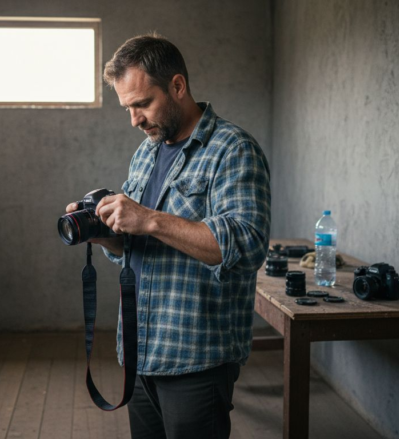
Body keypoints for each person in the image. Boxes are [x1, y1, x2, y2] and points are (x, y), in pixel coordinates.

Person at [65, 34, 271, 439]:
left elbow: (247, 245)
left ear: (178, 86)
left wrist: (149, 219)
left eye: (142, 104)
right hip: (140, 349)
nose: (135, 120)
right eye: (127, 108)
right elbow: (137, 245)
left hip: (196, 356)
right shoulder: (147, 151)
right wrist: (104, 235)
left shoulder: (233, 149)